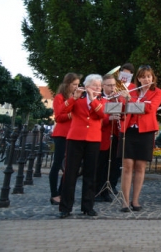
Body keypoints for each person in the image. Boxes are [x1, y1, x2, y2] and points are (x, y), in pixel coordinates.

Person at [58, 74, 104, 218]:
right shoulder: (78, 100)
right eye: (94, 86)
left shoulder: (102, 101)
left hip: (93, 140)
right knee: (70, 174)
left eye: (99, 86)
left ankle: (88, 206)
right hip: (75, 138)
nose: (97, 88)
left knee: (90, 175)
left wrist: (93, 99)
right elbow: (61, 113)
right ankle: (65, 207)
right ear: (87, 86)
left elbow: (103, 115)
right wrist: (74, 97)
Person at [120, 64, 161, 212]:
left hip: (146, 131)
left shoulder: (158, 92)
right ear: (138, 78)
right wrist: (128, 99)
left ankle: (135, 199)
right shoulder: (131, 89)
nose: (146, 79)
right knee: (127, 166)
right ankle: (125, 201)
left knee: (140, 166)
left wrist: (132, 102)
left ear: (153, 78)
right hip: (129, 131)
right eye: (143, 77)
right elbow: (122, 105)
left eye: (148, 76)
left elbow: (150, 108)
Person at [49, 73, 80, 206]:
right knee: (57, 164)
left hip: (72, 134)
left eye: (78, 84)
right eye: (74, 84)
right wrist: (71, 114)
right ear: (67, 84)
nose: (76, 87)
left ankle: (62, 191)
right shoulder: (59, 97)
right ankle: (54, 194)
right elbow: (59, 116)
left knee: (69, 166)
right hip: (61, 134)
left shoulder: (76, 98)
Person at [94, 73, 122, 202]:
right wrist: (108, 118)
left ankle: (107, 190)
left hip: (116, 134)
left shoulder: (117, 98)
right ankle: (97, 190)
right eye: (109, 85)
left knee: (113, 165)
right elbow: (95, 117)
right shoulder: (98, 98)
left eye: (113, 85)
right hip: (102, 136)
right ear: (103, 86)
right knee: (101, 165)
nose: (112, 88)